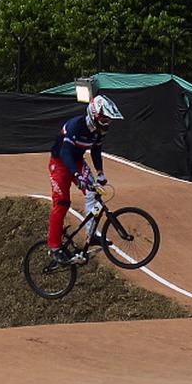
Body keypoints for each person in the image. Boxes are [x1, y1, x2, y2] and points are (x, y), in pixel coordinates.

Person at [48, 94, 123, 264]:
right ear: (94, 115)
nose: (106, 123)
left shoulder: (98, 131)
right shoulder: (75, 126)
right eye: (104, 119)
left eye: (108, 120)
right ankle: (54, 247)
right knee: (62, 204)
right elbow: (65, 152)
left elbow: (96, 151)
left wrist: (100, 172)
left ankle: (91, 234)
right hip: (60, 163)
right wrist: (76, 175)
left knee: (94, 193)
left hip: (77, 162)